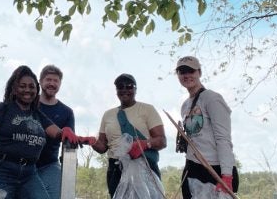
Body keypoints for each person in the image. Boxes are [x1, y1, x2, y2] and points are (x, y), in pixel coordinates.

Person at [0, 65, 80, 199]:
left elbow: (57, 133)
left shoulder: (37, 114)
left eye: (31, 86)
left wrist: (66, 131)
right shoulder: (1, 109)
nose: (27, 90)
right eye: (22, 86)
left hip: (29, 173)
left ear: (36, 89)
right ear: (14, 88)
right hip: (1, 170)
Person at [91, 73, 166, 197]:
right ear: (116, 91)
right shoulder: (108, 114)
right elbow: (102, 147)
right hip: (116, 168)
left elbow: (162, 141)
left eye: (129, 86)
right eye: (120, 87)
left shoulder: (147, 109)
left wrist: (144, 144)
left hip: (144, 166)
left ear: (135, 89)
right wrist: (91, 141)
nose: (125, 90)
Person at [175, 56, 239, 198]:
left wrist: (227, 175)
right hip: (193, 167)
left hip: (215, 169)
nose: (186, 75)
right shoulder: (185, 105)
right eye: (182, 71)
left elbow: (223, 138)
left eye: (190, 71)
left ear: (199, 72)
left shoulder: (212, 98)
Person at [36, 65, 75, 199]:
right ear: (40, 81)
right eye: (48, 80)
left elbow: (69, 143)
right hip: (24, 164)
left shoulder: (67, 112)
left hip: (50, 164)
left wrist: (70, 167)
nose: (52, 83)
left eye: (56, 81)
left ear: (60, 84)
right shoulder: (28, 103)